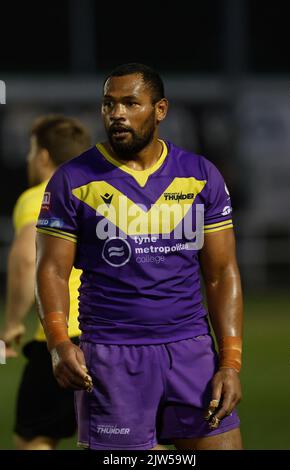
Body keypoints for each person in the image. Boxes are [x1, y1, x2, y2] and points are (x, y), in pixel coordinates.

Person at [35, 63, 243, 451]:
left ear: (160, 110)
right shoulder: (73, 179)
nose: (117, 114)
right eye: (109, 104)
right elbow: (51, 269)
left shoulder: (200, 175)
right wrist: (59, 343)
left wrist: (230, 363)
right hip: (112, 360)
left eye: (131, 103)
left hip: (192, 353)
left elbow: (221, 273)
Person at [1, 115, 91, 450]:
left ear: (42, 156)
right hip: (112, 337)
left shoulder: (38, 196)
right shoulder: (101, 194)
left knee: (34, 438)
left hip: (59, 338)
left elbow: (26, 259)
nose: (28, 159)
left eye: (30, 151)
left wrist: (10, 324)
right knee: (120, 439)